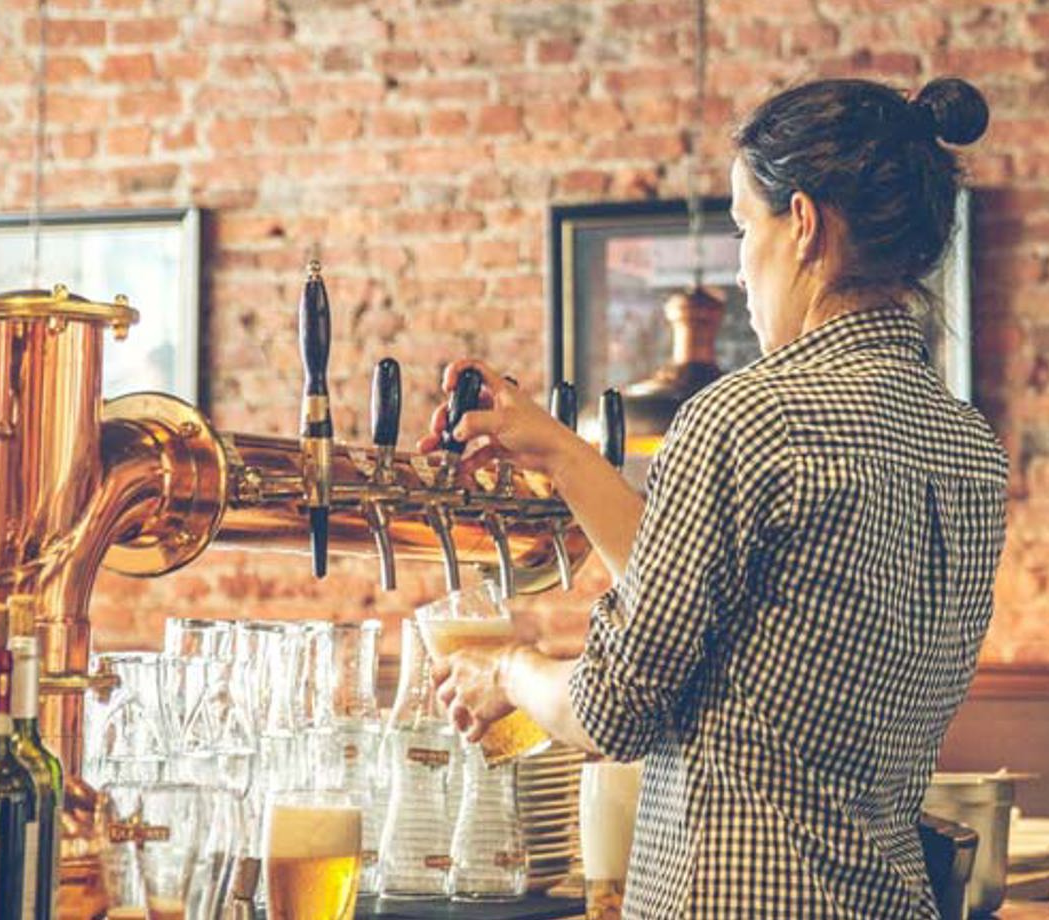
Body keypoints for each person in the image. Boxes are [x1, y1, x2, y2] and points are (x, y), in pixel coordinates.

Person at [428, 76, 1008, 918]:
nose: (739, 267)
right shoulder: (968, 444)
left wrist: (509, 669)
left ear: (803, 223)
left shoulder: (745, 416)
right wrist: (558, 452)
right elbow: (721, 601)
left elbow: (612, 711)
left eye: (744, 226)